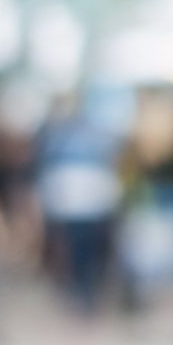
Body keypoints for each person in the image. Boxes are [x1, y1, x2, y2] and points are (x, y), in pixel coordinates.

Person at [36, 96, 122, 313]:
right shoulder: (63, 136)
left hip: (90, 204)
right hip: (73, 205)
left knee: (89, 251)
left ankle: (87, 293)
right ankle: (81, 294)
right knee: (77, 251)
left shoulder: (92, 137)